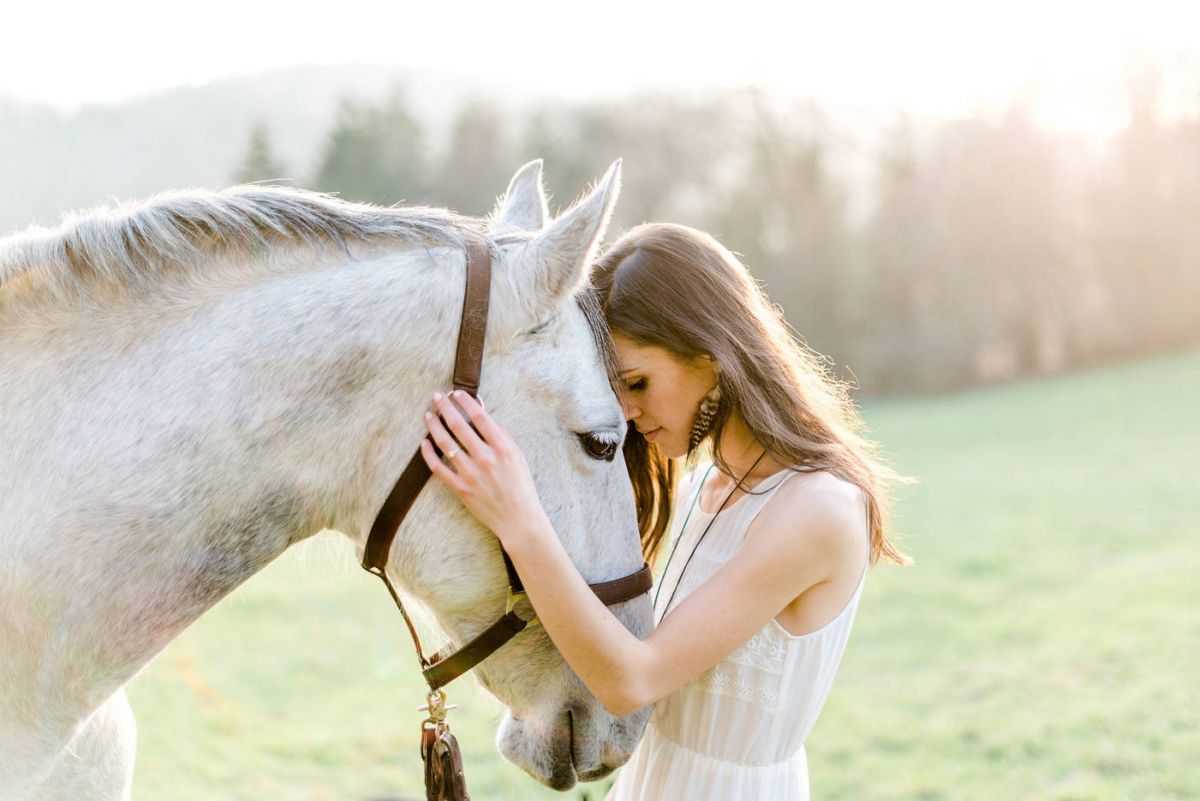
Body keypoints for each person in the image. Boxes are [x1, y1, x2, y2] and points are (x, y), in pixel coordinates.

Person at [418, 222, 909, 800]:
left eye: (637, 382)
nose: (624, 412)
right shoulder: (707, 485)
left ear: (710, 354)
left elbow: (635, 679)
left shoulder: (818, 508)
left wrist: (520, 519)